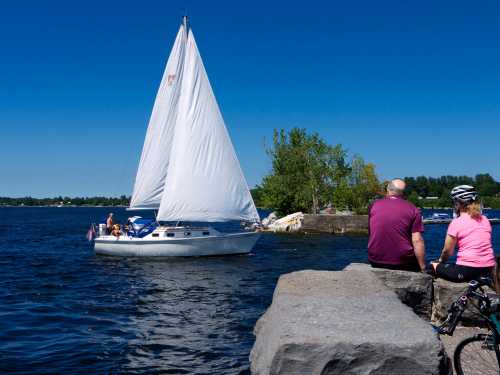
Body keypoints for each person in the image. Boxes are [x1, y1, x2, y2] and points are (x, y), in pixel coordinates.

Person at [430, 185, 495, 282]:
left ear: (458, 203)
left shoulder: (456, 222)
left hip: (467, 270)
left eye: (454, 202)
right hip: (489, 268)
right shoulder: (485, 219)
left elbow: (447, 251)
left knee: (432, 266)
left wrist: (440, 262)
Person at [368, 178, 426, 272]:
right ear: (403, 193)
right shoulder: (413, 209)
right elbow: (417, 240)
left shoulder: (373, 205)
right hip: (402, 262)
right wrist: (423, 267)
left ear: (388, 189)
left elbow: (371, 232)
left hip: (375, 260)